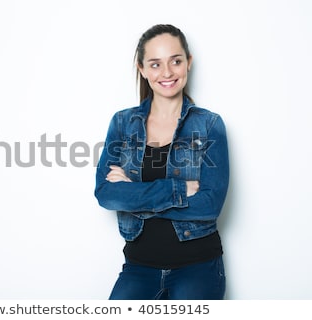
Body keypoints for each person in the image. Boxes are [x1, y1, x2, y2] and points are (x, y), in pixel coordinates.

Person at [94, 24, 229, 300]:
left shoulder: (209, 124)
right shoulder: (122, 123)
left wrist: (134, 195)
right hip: (138, 267)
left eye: (175, 61)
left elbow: (210, 204)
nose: (167, 73)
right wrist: (178, 190)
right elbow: (106, 194)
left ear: (188, 63)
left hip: (198, 267)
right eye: (155, 64)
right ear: (142, 69)